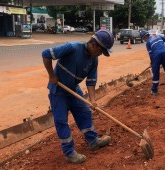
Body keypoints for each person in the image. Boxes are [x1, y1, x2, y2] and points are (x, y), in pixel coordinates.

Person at [42, 30, 114, 164]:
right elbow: (46, 54)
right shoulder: (72, 47)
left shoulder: (94, 59)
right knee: (61, 121)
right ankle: (69, 153)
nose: (100, 54)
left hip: (73, 89)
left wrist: (93, 100)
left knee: (85, 111)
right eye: (101, 51)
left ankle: (93, 141)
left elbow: (91, 80)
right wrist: (52, 75)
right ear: (94, 45)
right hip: (58, 90)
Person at [140, 30, 165, 96]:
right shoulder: (157, 36)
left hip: (156, 56)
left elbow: (151, 54)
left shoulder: (148, 43)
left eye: (143, 39)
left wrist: (152, 62)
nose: (144, 40)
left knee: (156, 72)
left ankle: (154, 91)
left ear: (144, 37)